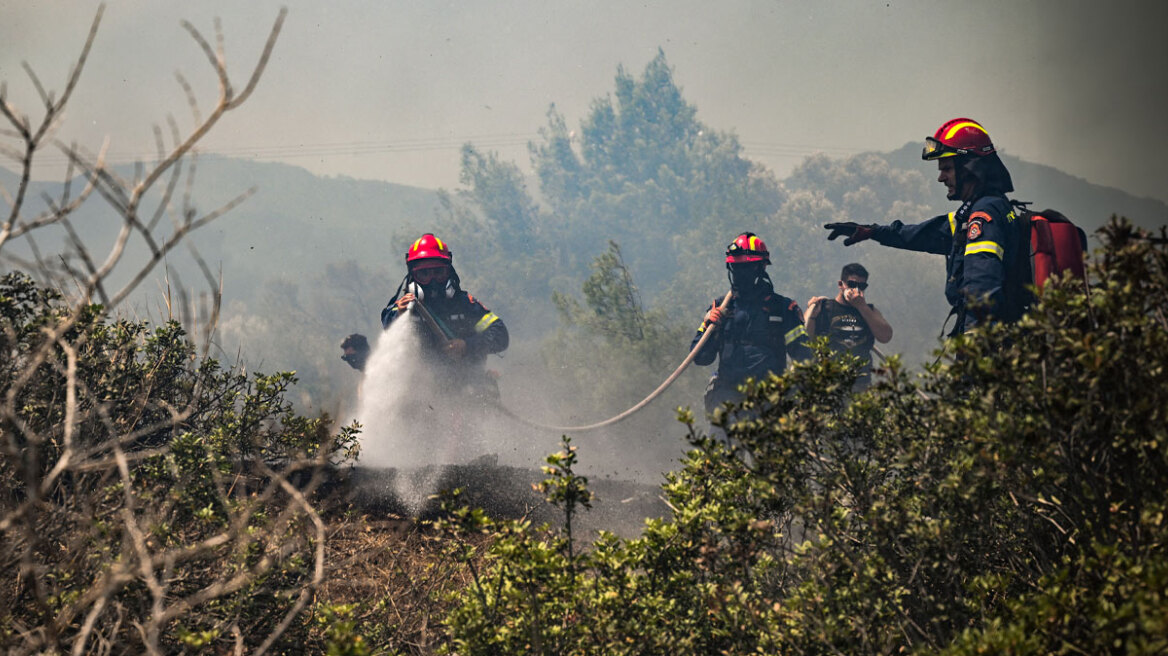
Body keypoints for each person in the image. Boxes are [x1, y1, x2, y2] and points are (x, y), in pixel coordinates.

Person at [824, 118, 1028, 335]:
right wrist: (872, 231)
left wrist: (974, 342)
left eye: (947, 169)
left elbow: (982, 289)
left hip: (988, 343)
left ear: (970, 168)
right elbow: (920, 234)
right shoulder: (976, 213)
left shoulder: (982, 216)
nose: (941, 178)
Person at [692, 232, 811, 417]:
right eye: (736, 268)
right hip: (727, 401)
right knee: (721, 443)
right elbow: (701, 358)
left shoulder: (782, 309)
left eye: (746, 267)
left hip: (768, 403)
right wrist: (709, 326)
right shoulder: (720, 308)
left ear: (762, 267)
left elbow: (805, 358)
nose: (740, 274)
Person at [380, 233, 509, 401]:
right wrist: (399, 314)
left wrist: (467, 346)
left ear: (449, 272)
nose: (433, 281)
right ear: (413, 276)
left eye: (439, 273)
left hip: (467, 392)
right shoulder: (404, 308)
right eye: (424, 274)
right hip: (420, 396)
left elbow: (500, 334)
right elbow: (387, 323)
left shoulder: (465, 305)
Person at [805, 263, 893, 390]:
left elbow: (886, 336)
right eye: (852, 285)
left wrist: (862, 307)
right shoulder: (823, 307)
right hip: (827, 383)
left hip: (860, 384)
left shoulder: (870, 311)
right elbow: (804, 339)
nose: (856, 290)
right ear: (841, 285)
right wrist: (812, 314)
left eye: (861, 286)